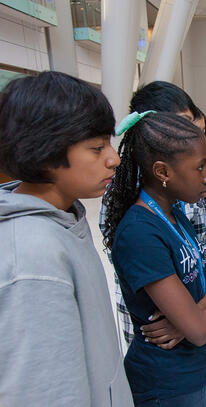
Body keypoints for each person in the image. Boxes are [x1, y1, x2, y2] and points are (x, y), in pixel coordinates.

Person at [0, 71, 133, 406]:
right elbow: (46, 392)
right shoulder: (32, 255)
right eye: (96, 147)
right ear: (46, 153)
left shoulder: (63, 216)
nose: (113, 158)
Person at [103, 111, 206, 406]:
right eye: (199, 168)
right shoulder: (140, 233)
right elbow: (202, 326)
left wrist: (189, 319)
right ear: (163, 172)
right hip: (166, 382)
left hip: (196, 367)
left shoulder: (174, 213)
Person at [99, 81, 206, 350]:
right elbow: (146, 268)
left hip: (198, 316)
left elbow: (203, 256)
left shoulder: (186, 190)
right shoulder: (128, 205)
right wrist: (196, 317)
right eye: (181, 127)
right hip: (156, 329)